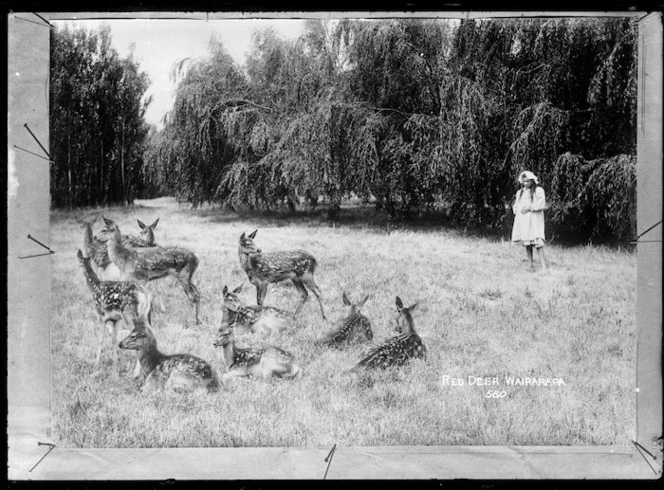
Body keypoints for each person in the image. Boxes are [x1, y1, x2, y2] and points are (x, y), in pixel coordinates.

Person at [511, 170, 547, 271]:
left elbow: (541, 204)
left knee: (538, 242)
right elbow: (517, 205)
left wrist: (529, 208)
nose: (525, 183)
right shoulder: (520, 193)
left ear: (532, 181)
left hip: (534, 219)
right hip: (524, 220)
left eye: (528, 181)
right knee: (527, 242)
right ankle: (530, 265)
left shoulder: (538, 191)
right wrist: (518, 210)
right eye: (524, 181)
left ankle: (544, 267)